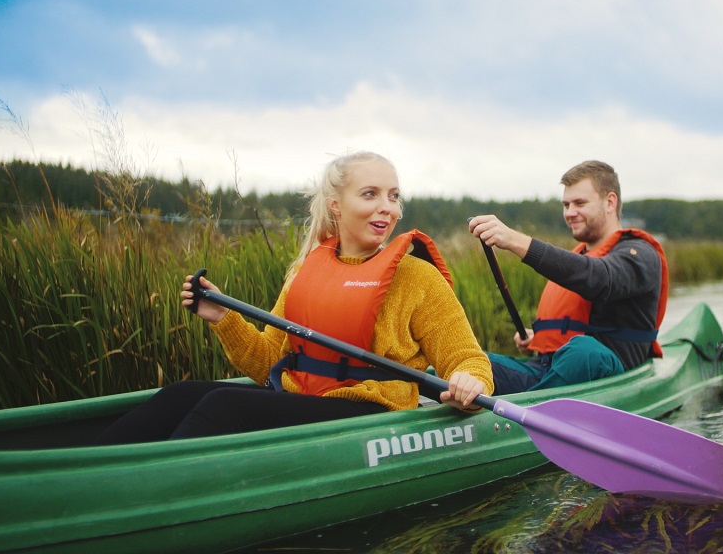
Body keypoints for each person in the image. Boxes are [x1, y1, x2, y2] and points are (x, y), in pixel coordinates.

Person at [97, 151, 493, 444]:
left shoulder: (416, 277)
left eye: (393, 196)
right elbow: (270, 361)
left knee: (223, 407)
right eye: (370, 194)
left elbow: (468, 360)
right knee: (179, 395)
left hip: (371, 412)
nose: (386, 208)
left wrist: (469, 383)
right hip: (302, 399)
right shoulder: (307, 271)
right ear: (336, 205)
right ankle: (82, 473)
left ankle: (147, 491)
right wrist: (223, 317)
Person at [468, 160, 668, 395]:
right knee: (466, 362)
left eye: (579, 203)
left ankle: (531, 412)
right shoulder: (581, 255)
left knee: (583, 352)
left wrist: (514, 240)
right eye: (566, 204)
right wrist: (543, 338)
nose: (570, 213)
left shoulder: (640, 254)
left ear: (610, 202)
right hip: (550, 368)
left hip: (606, 374)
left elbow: (599, 279)